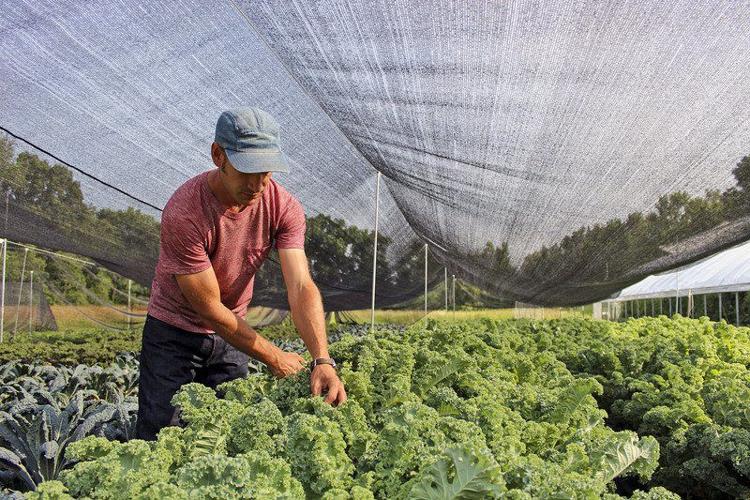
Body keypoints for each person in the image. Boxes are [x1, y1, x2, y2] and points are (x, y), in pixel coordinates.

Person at [136, 107, 347, 440]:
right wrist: (275, 356)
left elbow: (301, 285)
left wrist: (322, 359)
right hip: (174, 334)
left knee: (228, 434)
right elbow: (209, 309)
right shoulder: (185, 213)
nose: (257, 184)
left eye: (266, 170)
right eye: (247, 169)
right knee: (163, 436)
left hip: (233, 334)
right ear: (218, 155)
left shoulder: (283, 207)